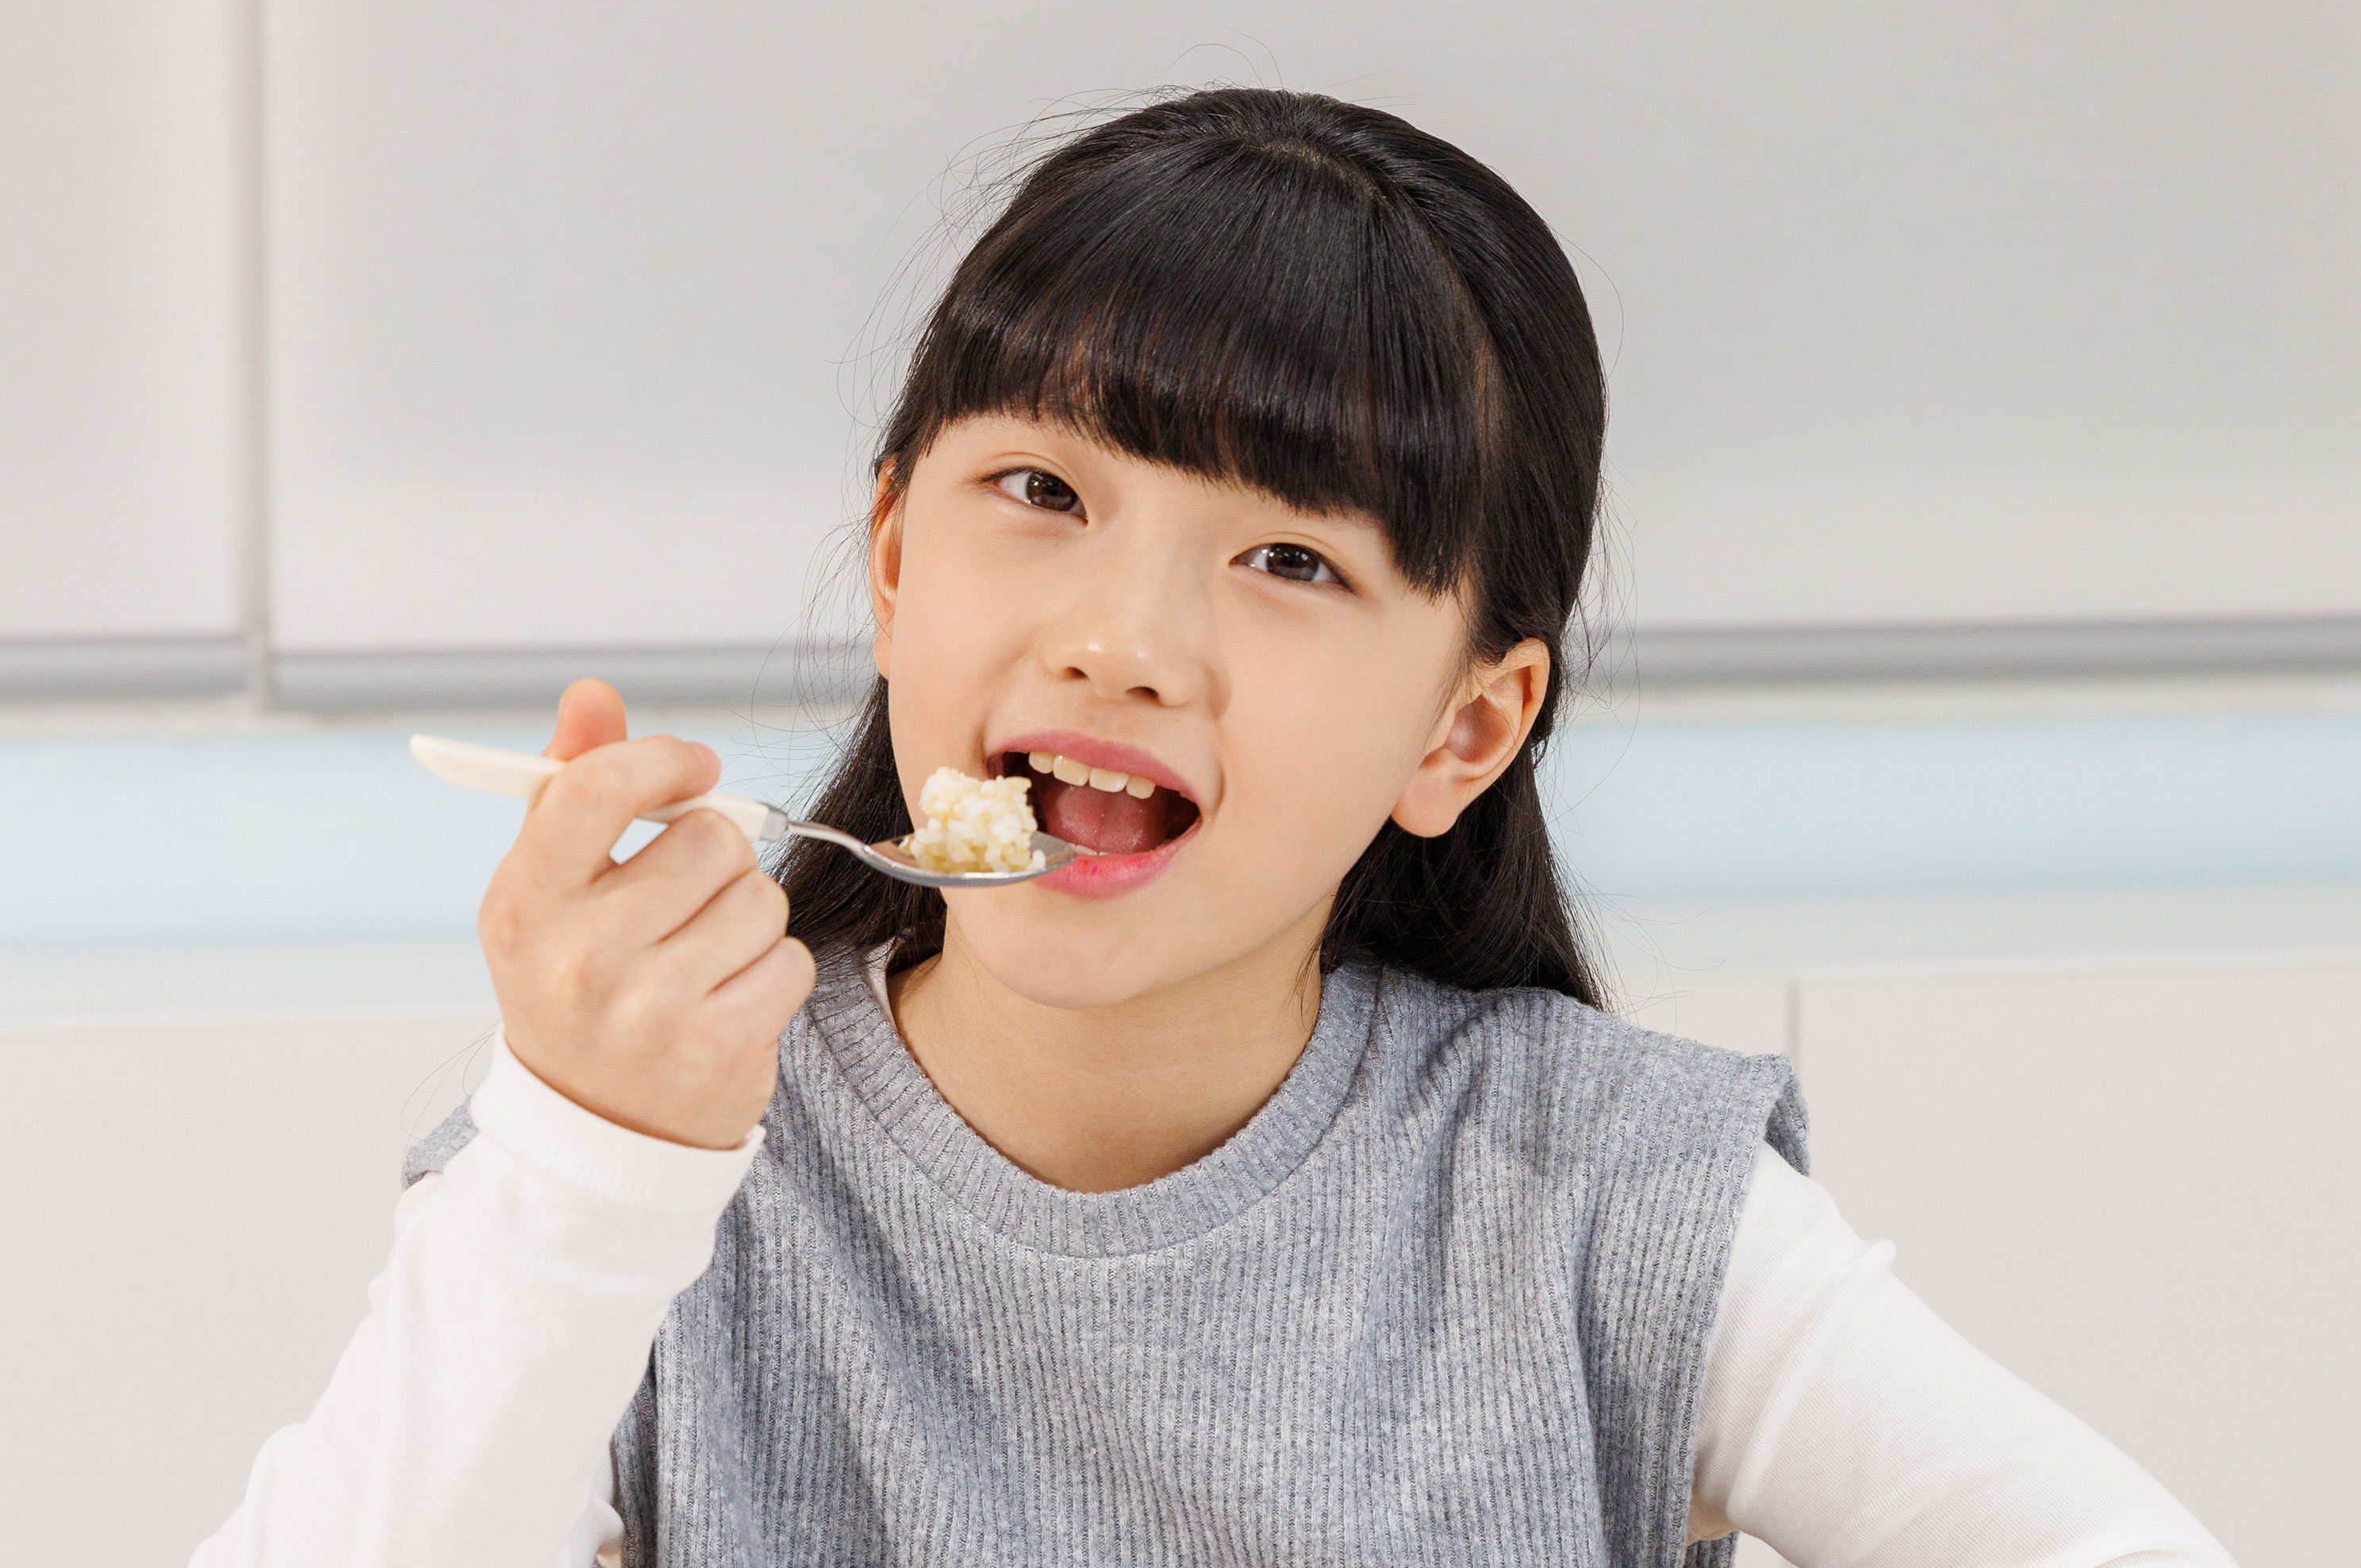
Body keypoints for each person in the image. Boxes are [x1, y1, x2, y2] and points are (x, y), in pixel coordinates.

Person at [193, 90, 2232, 1566]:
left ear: (1465, 728)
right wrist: (590, 1160)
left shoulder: (1609, 1201)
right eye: (1044, 494)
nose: (1125, 638)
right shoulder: (652, 1179)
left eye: (1289, 559)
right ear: (894, 558)